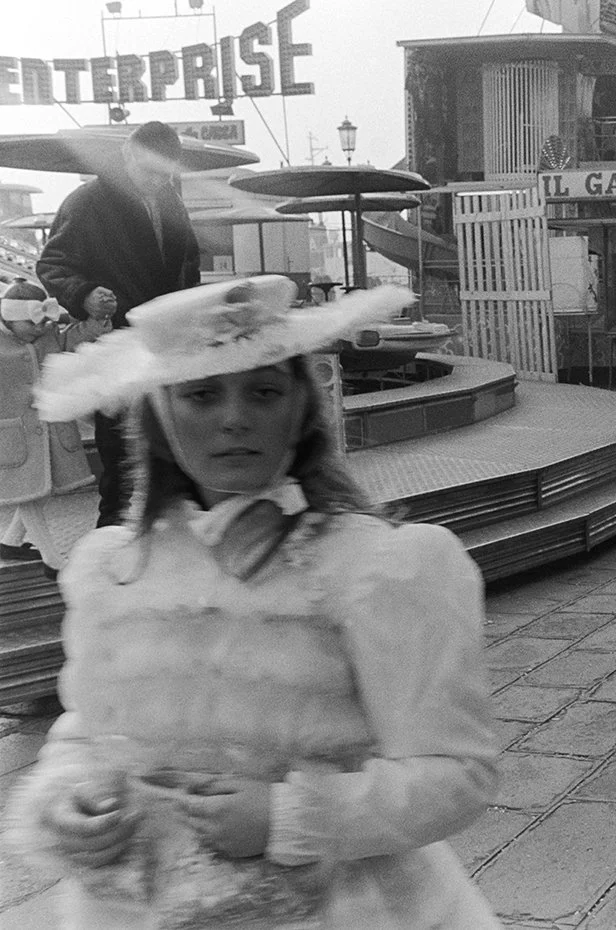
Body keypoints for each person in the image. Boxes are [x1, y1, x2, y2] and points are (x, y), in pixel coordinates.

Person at [5, 276, 503, 929]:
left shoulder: (383, 568)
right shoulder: (114, 569)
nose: (234, 418)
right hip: (133, 903)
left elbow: (456, 774)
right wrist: (66, 800)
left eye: (264, 391)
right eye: (202, 394)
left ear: (301, 408)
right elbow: (90, 728)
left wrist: (285, 816)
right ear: (157, 417)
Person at [38, 121, 200, 529]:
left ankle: (167, 548)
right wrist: (85, 294)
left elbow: (188, 265)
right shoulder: (87, 201)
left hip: (168, 346)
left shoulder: (170, 201)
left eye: (166, 173)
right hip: (119, 348)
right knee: (122, 463)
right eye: (150, 171)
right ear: (127, 155)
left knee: (174, 453)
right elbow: (52, 264)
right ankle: (110, 557)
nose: (158, 181)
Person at [0, 281, 111, 577]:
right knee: (28, 493)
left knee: (41, 488)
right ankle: (53, 560)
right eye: (32, 323)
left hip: (49, 426)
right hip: (13, 434)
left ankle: (9, 542)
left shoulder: (48, 334)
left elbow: (72, 341)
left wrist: (97, 321)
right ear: (8, 319)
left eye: (45, 321)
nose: (40, 328)